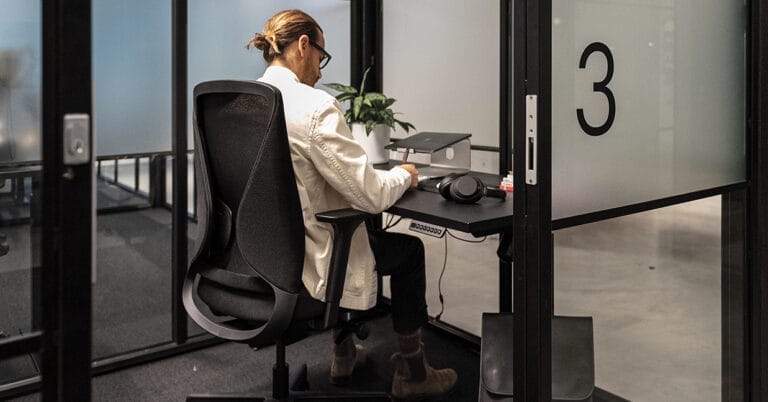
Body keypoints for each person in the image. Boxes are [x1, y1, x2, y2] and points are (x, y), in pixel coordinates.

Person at [246, 9, 457, 400]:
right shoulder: (313, 107)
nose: (322, 72)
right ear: (304, 46)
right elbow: (371, 195)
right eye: (321, 58)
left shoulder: (245, 104)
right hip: (306, 269)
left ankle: (344, 353)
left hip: (253, 262)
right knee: (406, 250)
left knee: (351, 233)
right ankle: (413, 373)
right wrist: (405, 176)